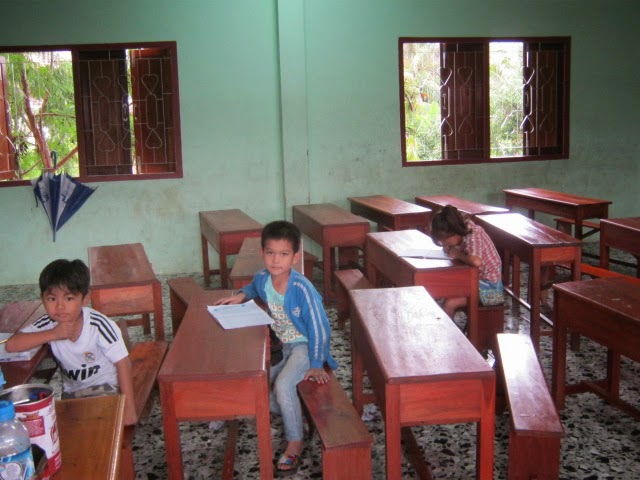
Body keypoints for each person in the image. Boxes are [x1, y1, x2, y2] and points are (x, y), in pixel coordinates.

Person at [215, 220, 337, 477]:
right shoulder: (263, 278)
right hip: (284, 347)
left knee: (282, 385)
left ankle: (295, 441)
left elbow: (320, 327)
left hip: (305, 347)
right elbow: (254, 287)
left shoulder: (302, 288)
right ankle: (297, 414)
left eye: (283, 254)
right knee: (259, 386)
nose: (276, 260)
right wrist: (241, 295)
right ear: (262, 253)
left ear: (295, 257)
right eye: (270, 252)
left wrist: (317, 363)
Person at [5, 259, 137, 426]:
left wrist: (129, 409)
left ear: (85, 299)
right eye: (52, 299)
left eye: (69, 298)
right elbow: (11, 345)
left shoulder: (98, 325)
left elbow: (123, 364)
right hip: (72, 393)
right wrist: (53, 334)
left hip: (106, 388)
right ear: (42, 299)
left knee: (94, 428)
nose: (60, 306)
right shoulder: (48, 324)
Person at [430, 205, 504, 319]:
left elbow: (476, 261)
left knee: (450, 303)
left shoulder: (474, 233)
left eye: (446, 241)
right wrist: (449, 248)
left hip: (494, 293)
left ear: (455, 232)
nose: (444, 244)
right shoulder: (461, 234)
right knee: (444, 289)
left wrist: (458, 254)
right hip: (476, 284)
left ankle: (447, 331)